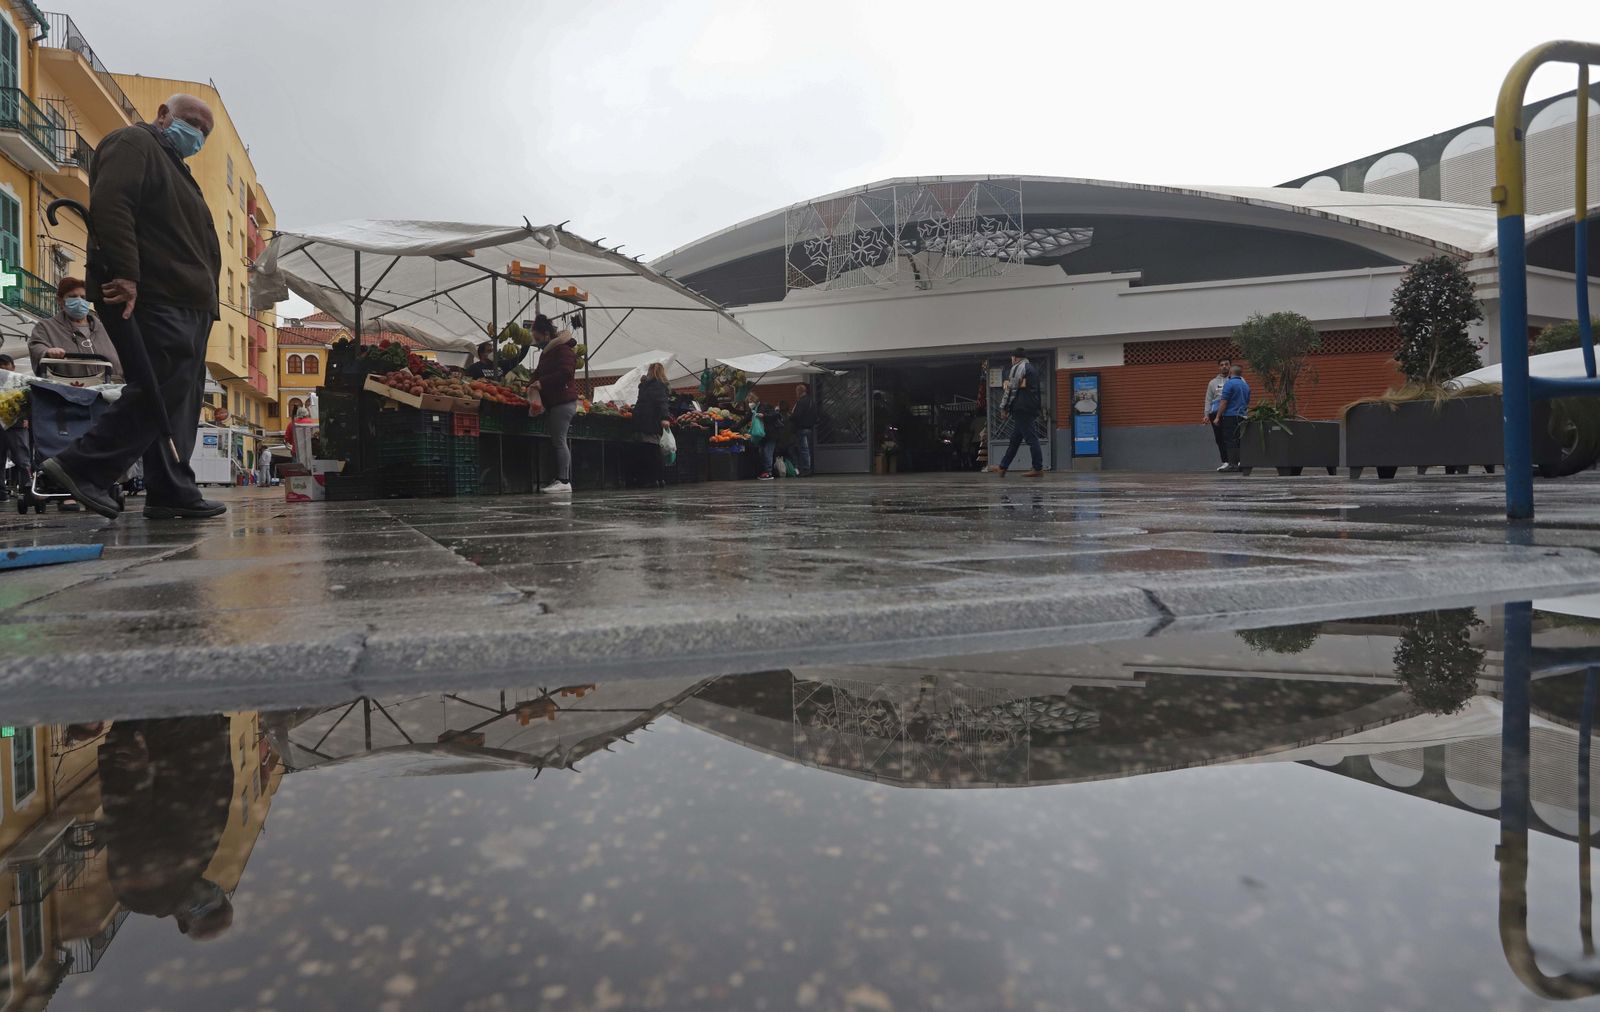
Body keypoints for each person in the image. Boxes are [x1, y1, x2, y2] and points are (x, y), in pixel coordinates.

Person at [41, 93, 225, 522]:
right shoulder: (134, 143)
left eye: (206, 131)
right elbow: (112, 204)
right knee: (158, 393)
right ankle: (80, 467)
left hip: (187, 303)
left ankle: (171, 490)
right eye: (192, 121)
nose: (198, 133)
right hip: (158, 296)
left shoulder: (175, 167)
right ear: (162, 115)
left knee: (177, 400)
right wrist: (125, 273)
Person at [98, 715, 236, 941]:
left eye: (210, 908)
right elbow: (211, 799)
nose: (216, 894)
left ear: (184, 919)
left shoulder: (146, 894)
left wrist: (135, 772)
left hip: (161, 739)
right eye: (221, 900)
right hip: (193, 733)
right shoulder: (190, 872)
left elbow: (128, 825)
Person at [29, 277, 124, 381]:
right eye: (73, 297)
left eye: (83, 297)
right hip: (68, 389)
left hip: (110, 387)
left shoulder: (105, 327)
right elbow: (36, 346)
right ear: (60, 301)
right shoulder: (46, 327)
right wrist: (47, 352)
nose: (79, 301)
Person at [530, 314, 579, 495]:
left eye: (537, 338)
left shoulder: (562, 350)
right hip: (557, 401)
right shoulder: (549, 352)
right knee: (558, 440)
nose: (536, 342)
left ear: (546, 334)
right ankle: (561, 478)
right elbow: (539, 373)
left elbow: (565, 373)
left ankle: (564, 480)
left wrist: (542, 383)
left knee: (559, 440)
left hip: (562, 401)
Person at [990, 348, 1044, 478]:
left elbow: (1011, 390)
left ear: (1015, 358)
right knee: (1015, 440)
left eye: (1012, 357)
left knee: (1031, 439)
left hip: (1022, 408)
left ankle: (1038, 468)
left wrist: (1004, 407)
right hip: (1030, 406)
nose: (1011, 360)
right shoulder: (1031, 368)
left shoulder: (1018, 368)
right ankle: (1003, 467)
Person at [630, 361, 673, 487]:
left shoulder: (653, 385)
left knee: (650, 450)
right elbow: (662, 402)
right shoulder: (654, 385)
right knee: (652, 450)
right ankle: (657, 478)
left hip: (645, 420)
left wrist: (665, 417)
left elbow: (661, 402)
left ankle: (653, 479)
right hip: (650, 420)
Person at [0, 354, 27, 500]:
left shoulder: (21, 382)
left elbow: (28, 401)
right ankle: (1, 493)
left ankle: (27, 489)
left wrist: (26, 418)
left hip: (17, 425)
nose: (4, 371)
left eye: (6, 368)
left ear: (13, 367)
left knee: (22, 459)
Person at [1216, 364, 1252, 472]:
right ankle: (1242, 463)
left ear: (1231, 373)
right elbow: (1247, 400)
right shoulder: (1245, 385)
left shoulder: (1229, 384)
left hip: (1230, 415)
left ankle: (1232, 464)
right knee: (1240, 439)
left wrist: (1217, 416)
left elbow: (1224, 402)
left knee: (1230, 439)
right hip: (1243, 415)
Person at [746, 391, 779, 480]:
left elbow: (774, 415)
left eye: (750, 401)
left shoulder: (764, 406)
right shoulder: (753, 410)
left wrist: (764, 415)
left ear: (754, 400)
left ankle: (768, 472)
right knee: (762, 453)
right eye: (748, 401)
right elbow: (745, 419)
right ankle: (765, 471)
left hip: (770, 434)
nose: (749, 403)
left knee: (767, 452)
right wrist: (733, 428)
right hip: (762, 436)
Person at [1204, 358, 1231, 471]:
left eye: (1226, 364)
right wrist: (1206, 414)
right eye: (1221, 365)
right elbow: (1208, 399)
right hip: (1215, 414)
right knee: (1220, 438)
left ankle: (1236, 461)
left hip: (1230, 413)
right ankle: (1225, 461)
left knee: (1231, 438)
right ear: (1219, 367)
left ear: (1230, 366)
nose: (1224, 366)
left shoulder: (1236, 380)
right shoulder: (1212, 382)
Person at [791, 383, 818, 477]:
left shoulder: (801, 402)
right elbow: (815, 415)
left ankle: (806, 469)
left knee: (803, 449)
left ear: (799, 392)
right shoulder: (811, 401)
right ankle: (810, 468)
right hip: (810, 428)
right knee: (808, 449)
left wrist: (791, 417)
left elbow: (796, 415)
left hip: (801, 428)